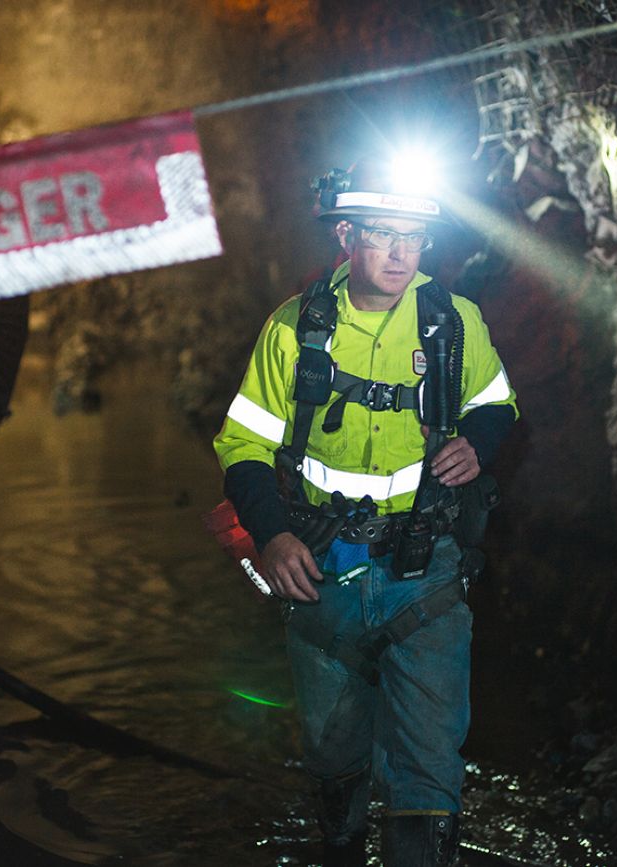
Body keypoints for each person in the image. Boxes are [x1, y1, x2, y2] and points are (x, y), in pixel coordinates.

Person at [212, 156, 517, 866]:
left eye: (412, 236)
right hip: (323, 571)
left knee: (430, 752)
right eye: (382, 234)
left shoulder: (453, 321)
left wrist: (478, 442)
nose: (400, 252)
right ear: (346, 235)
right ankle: (342, 845)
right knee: (332, 748)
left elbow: (496, 401)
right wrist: (273, 533)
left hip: (426, 566)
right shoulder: (295, 331)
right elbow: (243, 443)